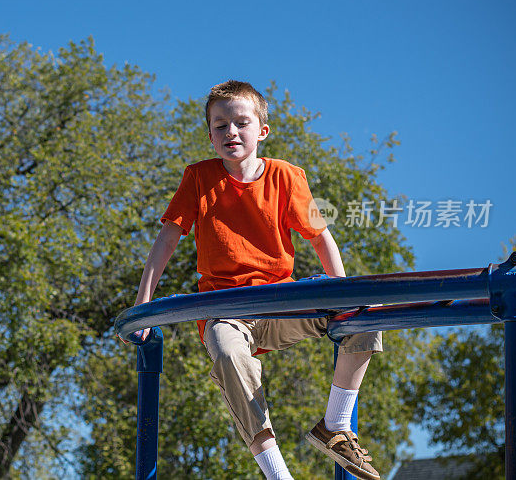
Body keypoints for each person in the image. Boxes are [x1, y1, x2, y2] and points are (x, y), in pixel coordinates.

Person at [127, 80, 382, 480]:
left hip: (281, 303)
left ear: (261, 131)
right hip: (225, 310)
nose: (231, 132)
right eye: (220, 125)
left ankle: (335, 425)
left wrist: (344, 293)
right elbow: (167, 238)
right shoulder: (198, 178)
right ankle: (278, 474)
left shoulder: (286, 177)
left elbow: (321, 239)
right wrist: (144, 303)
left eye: (241, 123)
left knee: (368, 309)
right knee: (229, 355)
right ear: (210, 136)